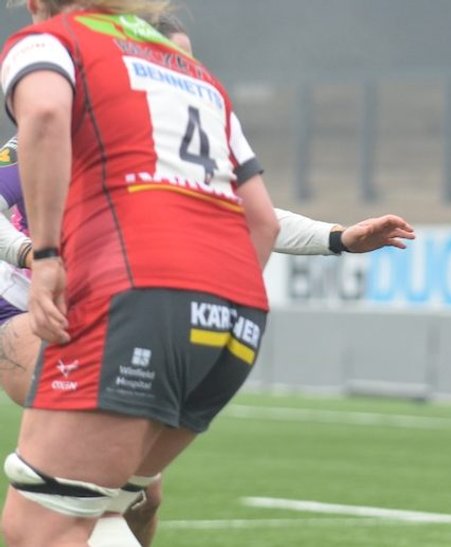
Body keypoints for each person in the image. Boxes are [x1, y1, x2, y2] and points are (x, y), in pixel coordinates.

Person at [0, 1, 278, 545]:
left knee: (39, 525)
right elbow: (261, 220)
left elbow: (47, 116)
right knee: (107, 507)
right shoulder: (196, 74)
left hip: (138, 300)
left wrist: (49, 256)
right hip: (234, 316)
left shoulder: (52, 43)